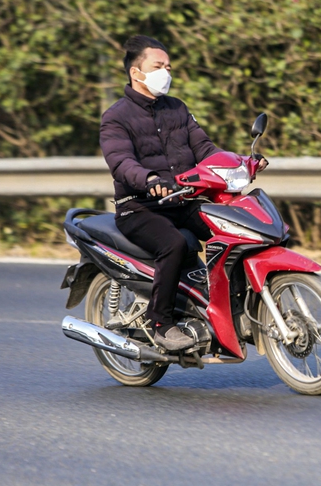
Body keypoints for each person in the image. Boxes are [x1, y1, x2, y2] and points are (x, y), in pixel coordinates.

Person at [99, 35, 267, 351]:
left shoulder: (177, 108)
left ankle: (234, 308)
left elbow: (204, 148)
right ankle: (161, 323)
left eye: (168, 66)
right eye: (158, 66)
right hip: (140, 207)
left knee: (239, 229)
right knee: (174, 244)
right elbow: (121, 162)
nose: (166, 71)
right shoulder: (116, 116)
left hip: (183, 199)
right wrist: (148, 179)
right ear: (137, 73)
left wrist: (243, 163)